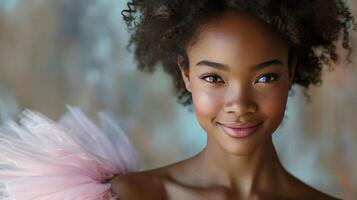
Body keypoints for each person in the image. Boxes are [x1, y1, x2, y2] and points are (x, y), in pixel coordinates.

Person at [0, 0, 355, 199]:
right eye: (213, 78)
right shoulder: (124, 197)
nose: (240, 103)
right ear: (186, 74)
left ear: (291, 72)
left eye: (265, 77)